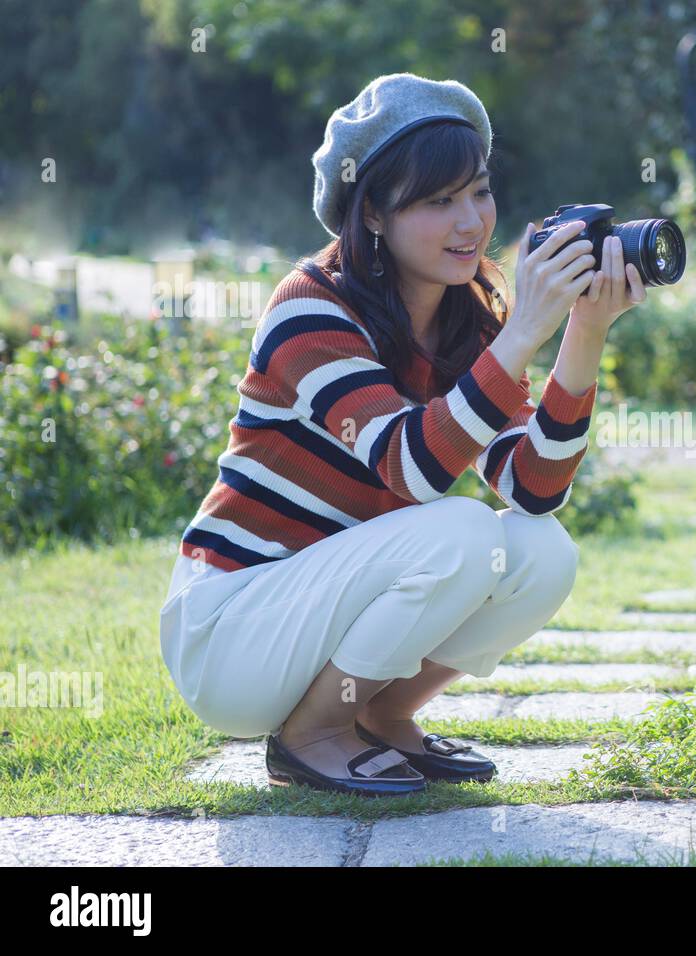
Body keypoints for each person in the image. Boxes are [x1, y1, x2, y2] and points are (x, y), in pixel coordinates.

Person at [156, 73, 646, 797]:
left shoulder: (463, 316)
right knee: (460, 531)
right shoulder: (310, 309)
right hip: (233, 631)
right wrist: (520, 336)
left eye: (479, 191)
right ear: (374, 215)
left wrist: (583, 332)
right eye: (436, 201)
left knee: (542, 551)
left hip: (318, 616)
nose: (470, 223)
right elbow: (408, 467)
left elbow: (532, 489)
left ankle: (380, 717)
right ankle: (311, 734)